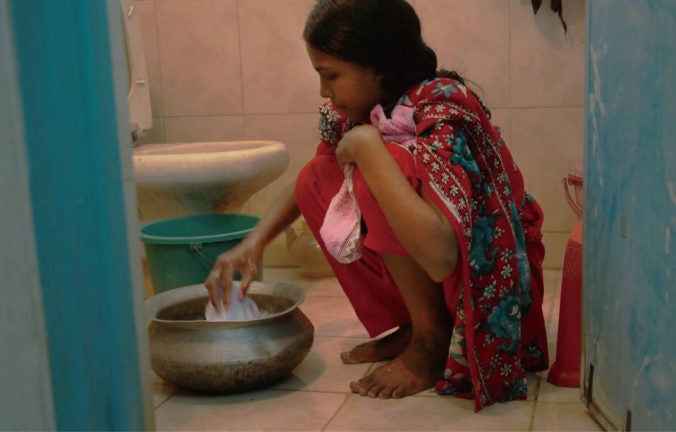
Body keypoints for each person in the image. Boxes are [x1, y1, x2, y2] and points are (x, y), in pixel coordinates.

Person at [204, 0, 549, 411]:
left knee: (377, 169)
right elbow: (306, 184)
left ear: (379, 66)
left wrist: (370, 150)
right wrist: (255, 241)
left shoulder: (442, 107)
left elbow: (443, 257)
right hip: (440, 266)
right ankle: (417, 324)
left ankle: (432, 340)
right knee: (319, 175)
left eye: (331, 75)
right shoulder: (364, 110)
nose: (324, 91)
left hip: (493, 280)